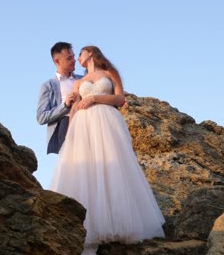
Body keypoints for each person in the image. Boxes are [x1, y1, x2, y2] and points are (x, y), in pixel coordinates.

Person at [49, 45, 165, 255]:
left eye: (80, 54)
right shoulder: (78, 82)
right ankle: (89, 228)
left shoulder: (111, 73)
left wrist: (95, 98)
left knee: (115, 169)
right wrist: (70, 134)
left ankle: (121, 224)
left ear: (90, 53)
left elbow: (120, 99)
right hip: (84, 126)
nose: (77, 58)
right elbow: (75, 107)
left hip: (107, 121)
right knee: (87, 173)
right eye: (73, 56)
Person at [36, 42, 82, 154]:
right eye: (69, 58)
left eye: (74, 56)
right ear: (57, 61)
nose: (74, 60)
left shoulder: (83, 79)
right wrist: (65, 106)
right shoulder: (48, 86)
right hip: (66, 125)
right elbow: (41, 117)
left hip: (88, 122)